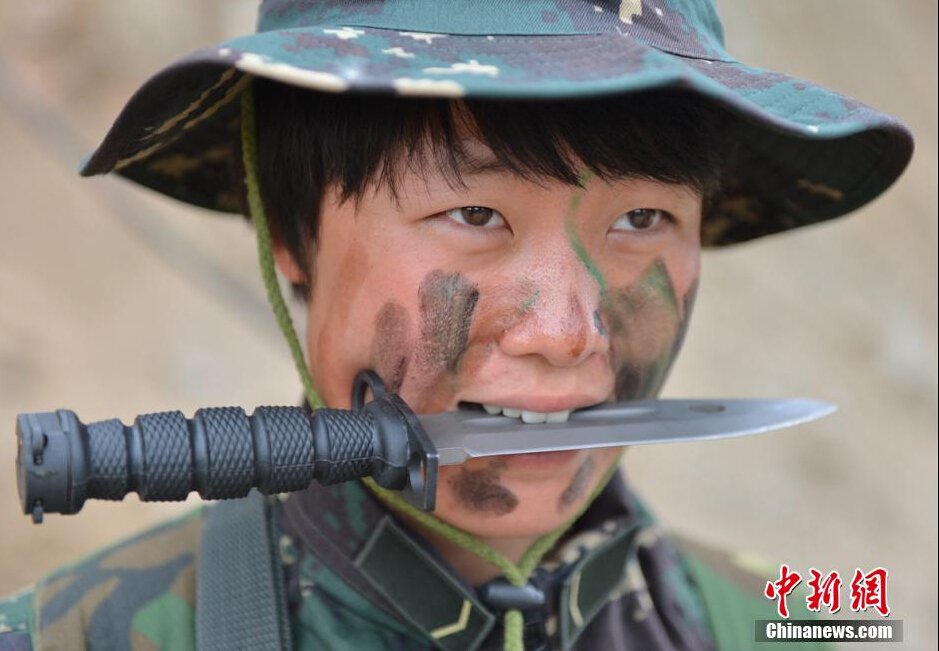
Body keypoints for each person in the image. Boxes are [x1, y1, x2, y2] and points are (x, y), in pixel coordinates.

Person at [0, 1, 913, 650]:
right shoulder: (72, 633)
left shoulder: (792, 616)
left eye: (641, 221)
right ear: (290, 233)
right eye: (474, 216)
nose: (564, 331)